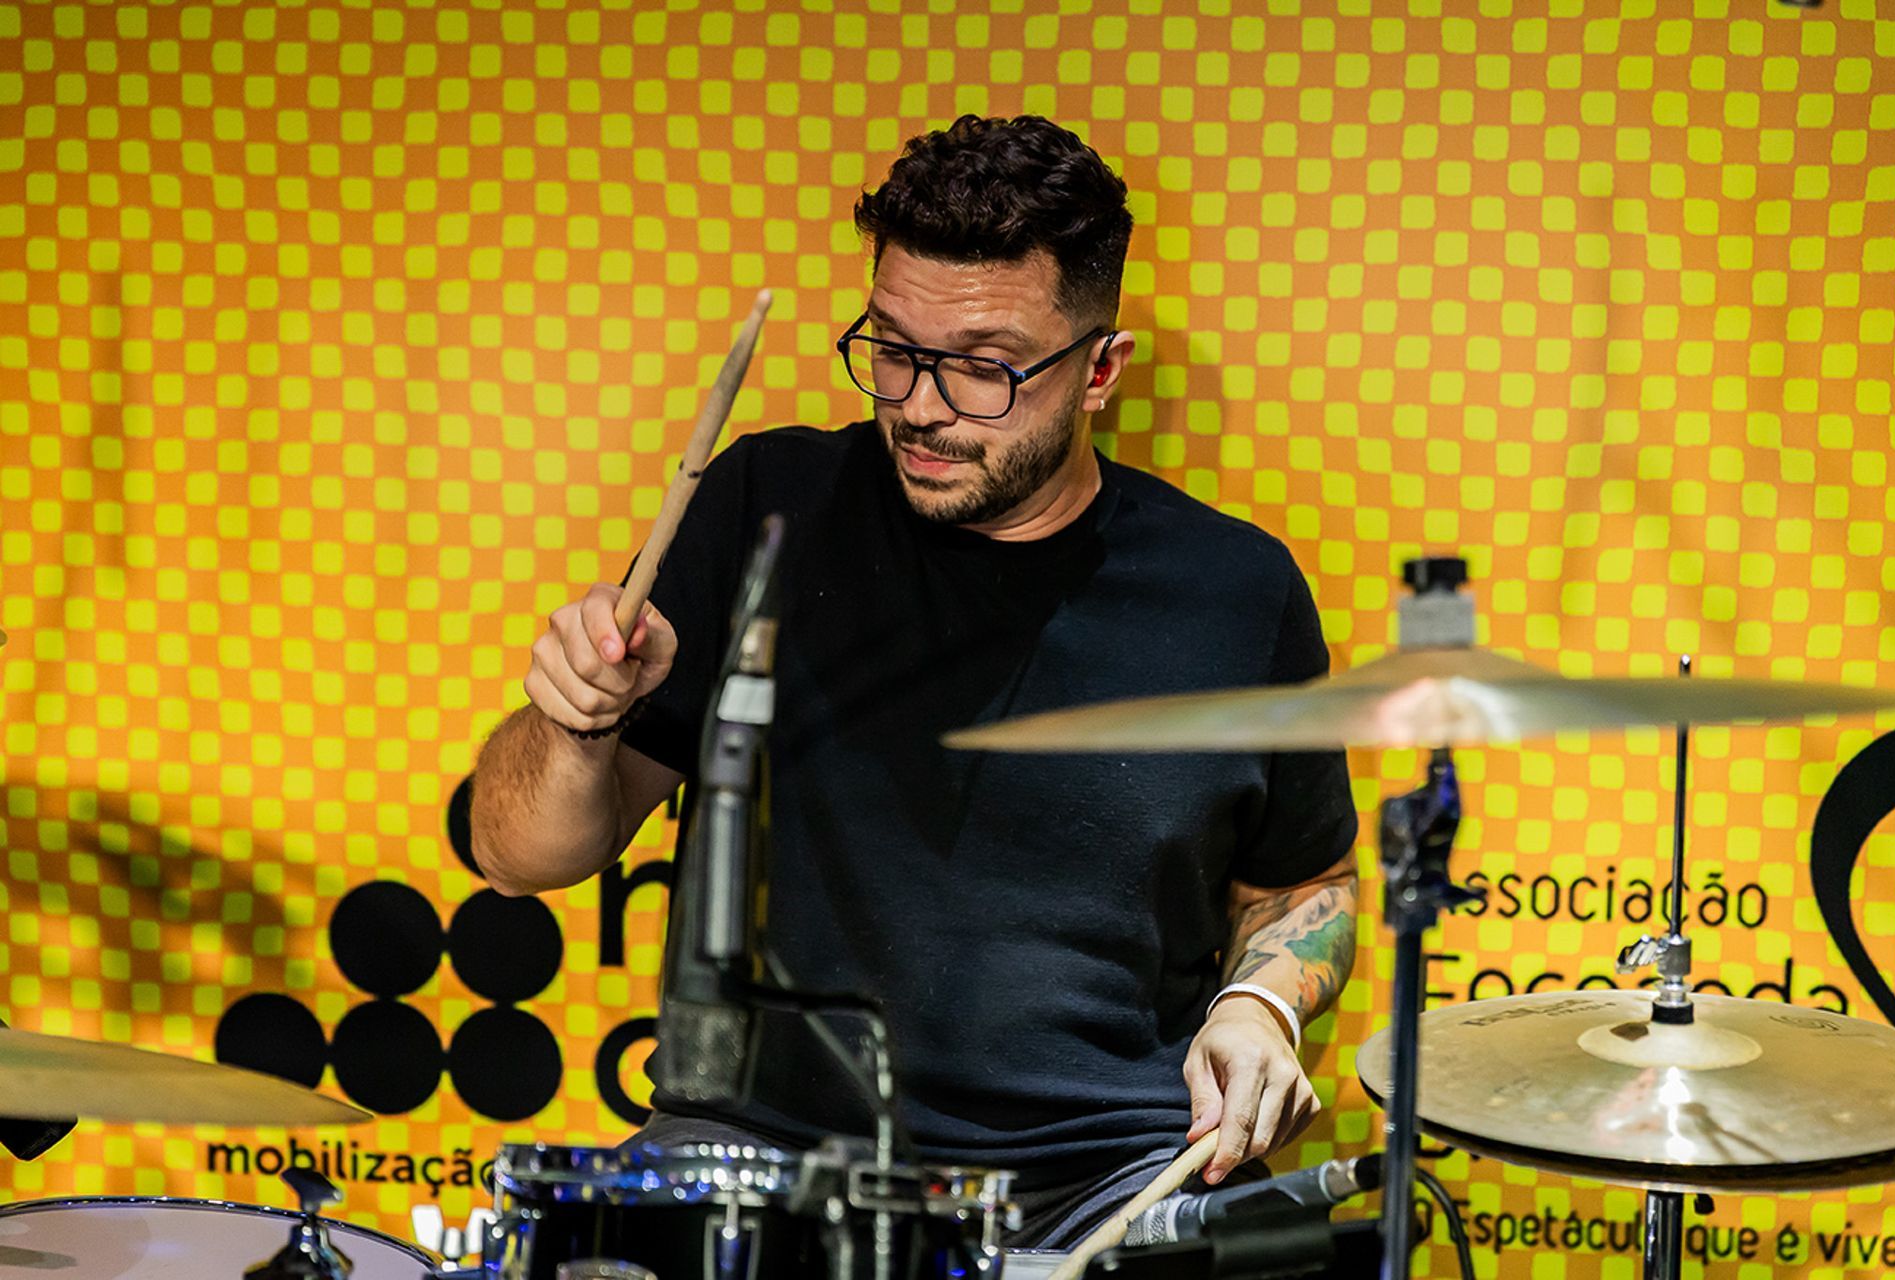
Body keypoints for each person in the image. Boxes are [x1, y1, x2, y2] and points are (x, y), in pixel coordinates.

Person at [468, 114, 1359, 1249]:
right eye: (893, 348)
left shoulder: (1235, 591)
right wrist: (574, 721)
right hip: (763, 1158)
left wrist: (1262, 1004)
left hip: (1102, 1181)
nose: (923, 406)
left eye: (984, 366)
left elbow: (1307, 883)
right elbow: (520, 855)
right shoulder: (767, 511)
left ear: (1100, 370)